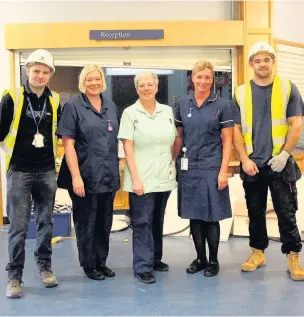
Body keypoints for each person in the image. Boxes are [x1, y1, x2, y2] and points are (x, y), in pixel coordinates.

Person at [232, 41, 304, 281]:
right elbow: (235, 129)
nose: (262, 64)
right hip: (253, 164)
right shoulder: (241, 92)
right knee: (255, 211)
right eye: (257, 60)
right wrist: (243, 159)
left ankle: (293, 256)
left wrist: (284, 154)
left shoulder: (287, 88)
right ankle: (257, 252)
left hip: (280, 164)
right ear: (251, 64)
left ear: (273, 61)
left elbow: (296, 123)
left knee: (286, 212)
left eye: (266, 59)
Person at [0, 49, 61, 298]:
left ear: (50, 75)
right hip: (19, 171)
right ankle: (15, 277)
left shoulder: (55, 100)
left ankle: (45, 268)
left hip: (46, 170)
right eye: (37, 71)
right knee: (19, 227)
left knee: (46, 224)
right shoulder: (11, 97)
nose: (41, 75)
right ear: (27, 70)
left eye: (45, 72)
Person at [57, 65, 120, 281]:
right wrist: (75, 176)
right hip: (84, 174)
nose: (94, 83)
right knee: (86, 222)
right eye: (89, 79)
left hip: (107, 174)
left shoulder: (110, 106)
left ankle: (101, 262)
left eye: (97, 79)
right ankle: (88, 265)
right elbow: (68, 145)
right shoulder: (73, 106)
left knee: (105, 221)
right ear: (82, 82)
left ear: (102, 81)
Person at [174, 60, 234, 277]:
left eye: (207, 77)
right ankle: (200, 258)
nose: (203, 81)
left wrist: (223, 170)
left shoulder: (222, 105)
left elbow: (227, 141)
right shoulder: (182, 103)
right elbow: (179, 138)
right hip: (189, 168)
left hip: (212, 167)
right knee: (195, 215)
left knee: (212, 216)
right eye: (199, 77)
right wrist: (172, 164)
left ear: (213, 80)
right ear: (192, 78)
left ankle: (213, 261)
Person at [118, 71, 177, 284]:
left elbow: (173, 141)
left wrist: (171, 164)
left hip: (164, 177)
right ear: (136, 89)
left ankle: (155, 259)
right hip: (141, 178)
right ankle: (142, 266)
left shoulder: (167, 111)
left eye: (150, 84)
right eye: (141, 85)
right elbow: (128, 149)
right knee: (142, 222)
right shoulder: (130, 113)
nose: (146, 88)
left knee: (157, 220)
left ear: (156, 87)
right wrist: (135, 179)